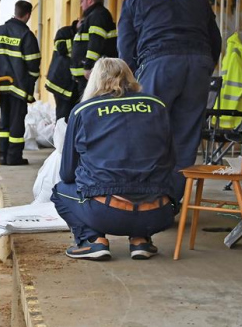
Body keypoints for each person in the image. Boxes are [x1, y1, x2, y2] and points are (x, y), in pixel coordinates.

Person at [117, 0, 222, 198]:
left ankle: (146, 200)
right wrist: (205, 67)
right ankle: (172, 201)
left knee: (147, 129)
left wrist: (131, 81)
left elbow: (125, 46)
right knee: (186, 135)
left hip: (158, 63)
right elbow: (215, 40)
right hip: (198, 64)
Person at [51, 58, 176, 261]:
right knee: (144, 182)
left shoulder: (83, 111)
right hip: (159, 213)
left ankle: (92, 241)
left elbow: (66, 172)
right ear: (129, 76)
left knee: (60, 191)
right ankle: (140, 240)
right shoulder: (157, 105)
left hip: (106, 212)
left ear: (95, 80)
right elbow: (171, 159)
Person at [0, 0, 41, 166]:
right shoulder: (26, 35)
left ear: (15, 12)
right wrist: (29, 83)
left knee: (4, 122)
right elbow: (33, 64)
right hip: (19, 89)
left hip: (0, 87)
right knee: (16, 124)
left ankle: (1, 156)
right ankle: (13, 158)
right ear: (28, 15)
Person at [71, 0, 118, 83]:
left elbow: (95, 43)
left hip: (93, 73)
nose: (81, 5)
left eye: (82, 1)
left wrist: (88, 66)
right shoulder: (93, 16)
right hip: (90, 74)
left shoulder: (97, 16)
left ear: (89, 0)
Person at [45, 20, 78, 121]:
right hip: (60, 83)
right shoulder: (64, 32)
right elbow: (61, 48)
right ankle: (60, 135)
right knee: (63, 115)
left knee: (73, 115)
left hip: (74, 84)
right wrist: (79, 42)